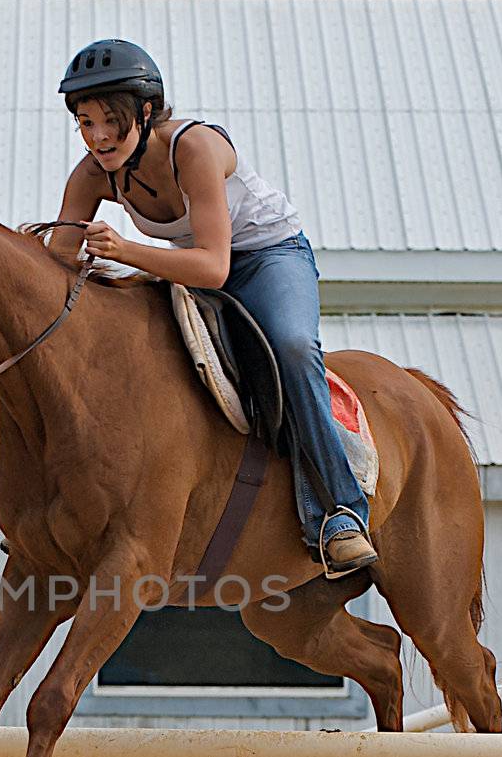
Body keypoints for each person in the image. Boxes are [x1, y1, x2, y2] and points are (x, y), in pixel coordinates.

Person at [48, 39, 376, 578]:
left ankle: (341, 512)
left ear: (146, 113)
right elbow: (58, 264)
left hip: (267, 257)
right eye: (85, 123)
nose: (99, 137)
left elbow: (216, 268)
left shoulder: (195, 148)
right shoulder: (91, 175)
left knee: (291, 348)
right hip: (190, 263)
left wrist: (125, 251)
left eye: (112, 121)